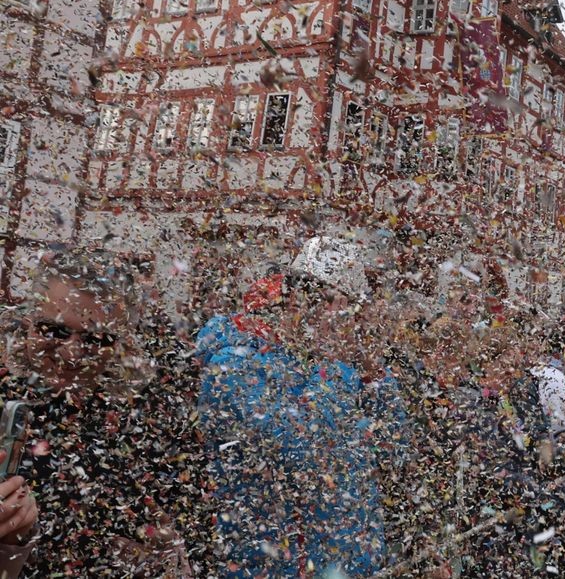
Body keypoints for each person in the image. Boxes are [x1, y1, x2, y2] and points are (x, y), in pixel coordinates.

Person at [194, 235, 408, 576]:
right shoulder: (235, 366)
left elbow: (395, 456)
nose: (351, 321)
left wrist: (373, 378)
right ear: (295, 300)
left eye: (356, 309)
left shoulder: (338, 370)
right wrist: (334, 368)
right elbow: (304, 458)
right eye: (337, 304)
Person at [3, 248, 198, 576]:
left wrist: (168, 552)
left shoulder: (152, 423)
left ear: (121, 343)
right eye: (56, 331)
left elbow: (192, 535)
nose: (73, 352)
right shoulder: (7, 407)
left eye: (97, 340)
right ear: (27, 323)